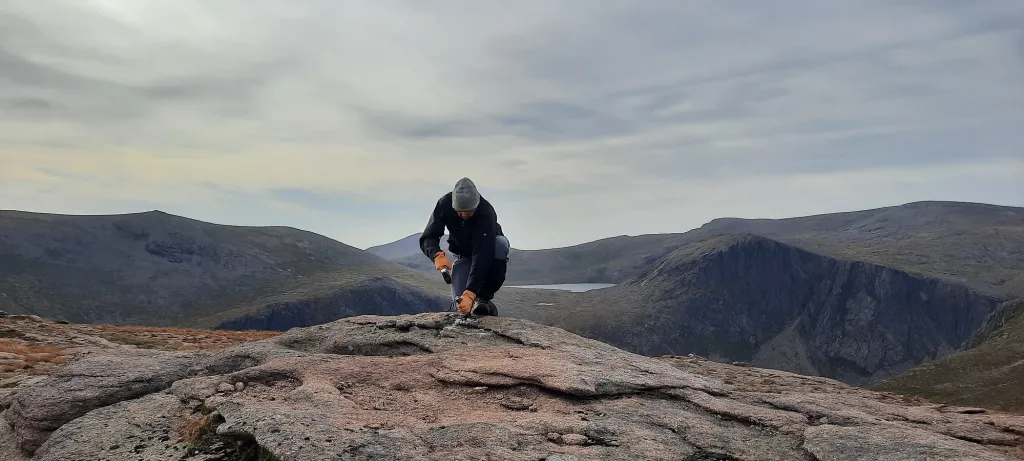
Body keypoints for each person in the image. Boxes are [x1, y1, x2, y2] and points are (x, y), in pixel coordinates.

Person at [419, 177, 510, 316]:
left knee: (500, 244)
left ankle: (483, 299)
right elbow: (428, 236)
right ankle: (476, 303)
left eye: (469, 212)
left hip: (487, 252)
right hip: (462, 254)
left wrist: (471, 292)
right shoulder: (444, 204)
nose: (464, 216)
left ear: (476, 205)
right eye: (460, 212)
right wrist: (436, 255)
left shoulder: (486, 212)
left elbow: (482, 257)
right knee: (462, 308)